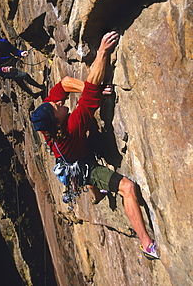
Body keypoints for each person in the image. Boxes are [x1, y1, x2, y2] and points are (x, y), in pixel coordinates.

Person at [30, 31, 159, 260]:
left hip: (73, 154)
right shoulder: (71, 127)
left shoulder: (49, 123)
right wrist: (102, 52)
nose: (58, 102)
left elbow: (65, 84)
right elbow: (90, 91)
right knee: (127, 188)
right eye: (56, 107)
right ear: (59, 121)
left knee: (84, 155)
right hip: (82, 165)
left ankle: (97, 196)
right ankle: (147, 245)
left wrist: (93, 90)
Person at [0, 34, 44, 98]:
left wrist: (21, 53)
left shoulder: (3, 42)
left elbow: (13, 50)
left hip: (11, 62)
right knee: (24, 75)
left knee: (19, 79)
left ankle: (33, 94)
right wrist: (4, 69)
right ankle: (40, 87)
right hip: (4, 71)